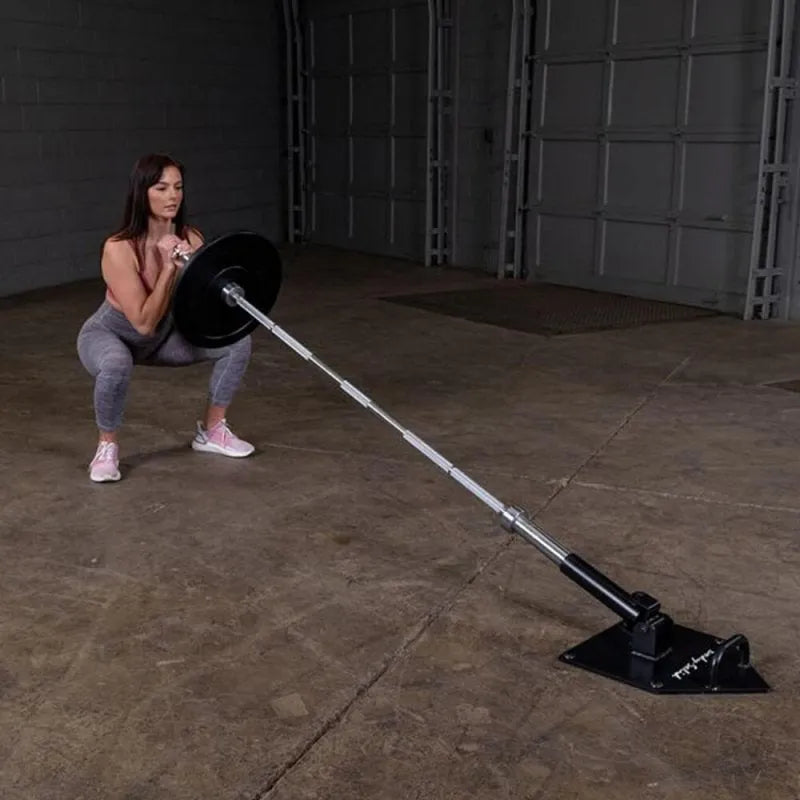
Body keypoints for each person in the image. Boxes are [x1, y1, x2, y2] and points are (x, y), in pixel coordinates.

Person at [76, 153, 254, 483]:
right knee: (116, 364)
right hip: (113, 335)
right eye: (161, 188)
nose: (172, 196)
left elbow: (200, 307)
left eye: (178, 187)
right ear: (142, 192)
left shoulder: (192, 238)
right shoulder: (119, 248)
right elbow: (142, 323)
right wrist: (171, 268)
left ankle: (212, 431)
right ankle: (106, 448)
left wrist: (214, 285)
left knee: (237, 341)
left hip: (164, 338)